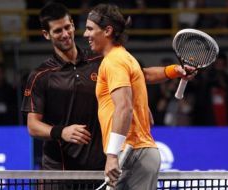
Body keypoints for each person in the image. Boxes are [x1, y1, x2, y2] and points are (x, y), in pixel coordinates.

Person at [84, 3, 197, 189]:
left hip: (130, 153)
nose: (85, 34)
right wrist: (175, 70)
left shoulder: (113, 62)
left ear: (107, 31)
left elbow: (124, 107)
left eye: (90, 29)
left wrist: (112, 155)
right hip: (137, 153)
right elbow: (143, 75)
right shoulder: (124, 58)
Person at [21, 2, 106, 172]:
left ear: (74, 25)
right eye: (58, 31)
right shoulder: (40, 75)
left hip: (98, 169)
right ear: (46, 34)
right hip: (59, 171)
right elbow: (33, 126)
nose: (65, 34)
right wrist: (61, 132)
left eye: (67, 27)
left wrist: (173, 70)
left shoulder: (99, 61)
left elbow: (134, 76)